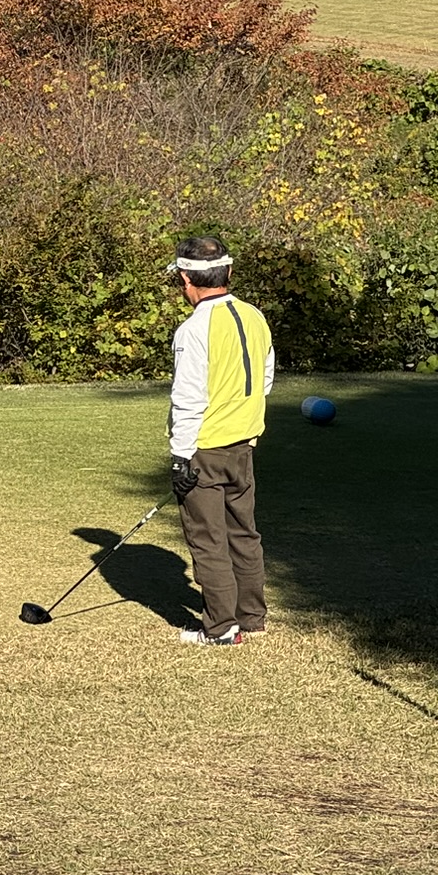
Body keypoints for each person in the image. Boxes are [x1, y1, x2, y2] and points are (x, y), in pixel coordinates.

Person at [166, 234, 275, 646]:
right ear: (228, 272)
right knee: (243, 532)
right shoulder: (255, 316)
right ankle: (251, 617)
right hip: (244, 444)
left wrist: (180, 457)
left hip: (205, 449)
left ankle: (222, 629)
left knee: (208, 539)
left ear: (185, 279)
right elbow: (265, 379)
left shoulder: (193, 329)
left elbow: (188, 397)